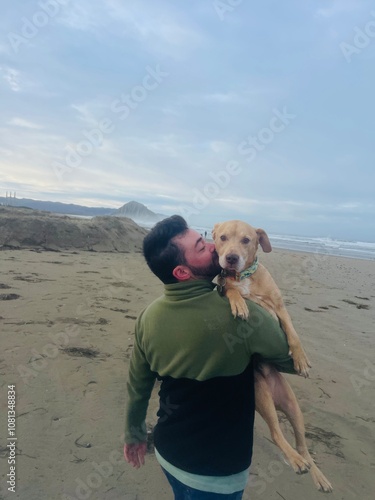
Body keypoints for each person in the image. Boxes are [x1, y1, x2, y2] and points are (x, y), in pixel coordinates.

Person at [124, 215, 295, 499]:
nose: (214, 246)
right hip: (216, 470)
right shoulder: (242, 318)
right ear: (182, 271)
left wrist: (133, 435)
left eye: (205, 238)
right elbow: (289, 361)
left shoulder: (147, 316)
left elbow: (138, 385)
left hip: (168, 451)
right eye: (201, 248)